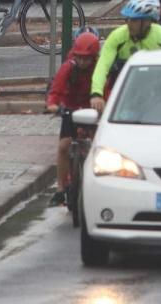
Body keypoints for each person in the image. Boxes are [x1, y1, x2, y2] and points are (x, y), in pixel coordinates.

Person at [90, 0, 161, 112]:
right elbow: (102, 66)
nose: (129, 24)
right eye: (128, 19)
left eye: (134, 20)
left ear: (147, 21)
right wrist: (96, 93)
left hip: (159, 95)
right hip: (126, 94)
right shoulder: (117, 36)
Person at [45, 31, 100, 205]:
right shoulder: (68, 67)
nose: (83, 62)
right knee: (64, 146)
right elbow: (55, 91)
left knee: (99, 148)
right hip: (71, 109)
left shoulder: (99, 69)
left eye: (87, 58)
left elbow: (106, 90)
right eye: (80, 58)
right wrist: (53, 105)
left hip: (92, 110)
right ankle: (60, 188)